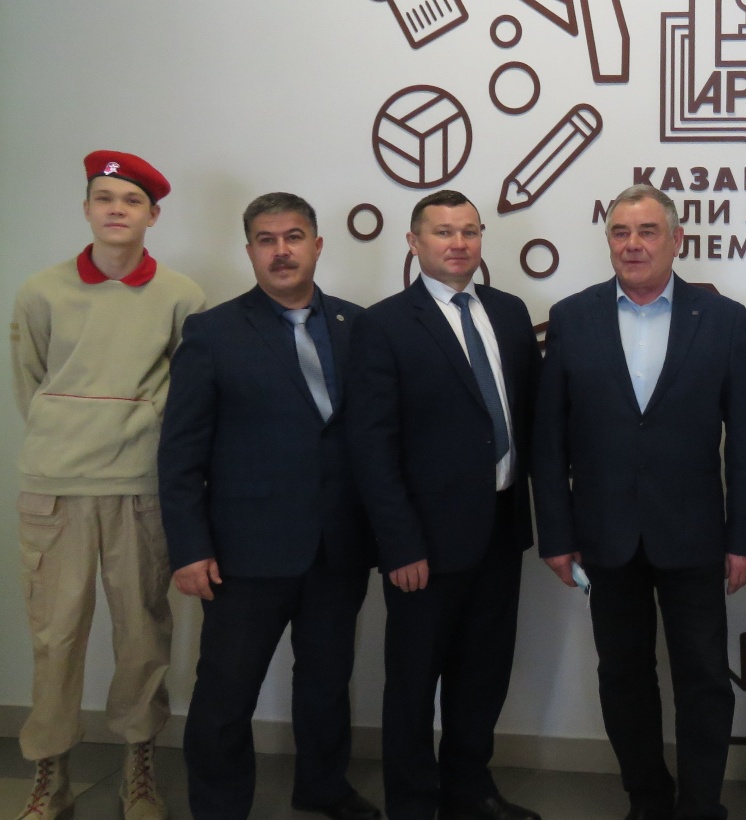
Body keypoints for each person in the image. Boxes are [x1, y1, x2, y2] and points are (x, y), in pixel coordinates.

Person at [532, 184, 746, 820]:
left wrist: (745, 535)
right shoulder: (573, 317)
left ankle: (700, 806)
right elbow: (548, 440)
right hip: (604, 536)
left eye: (647, 231)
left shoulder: (721, 318)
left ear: (676, 240)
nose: (632, 244)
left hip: (695, 535)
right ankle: (648, 800)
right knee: (623, 676)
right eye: (620, 232)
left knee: (705, 678)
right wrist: (556, 534)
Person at [159, 193, 379, 820]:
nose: (281, 251)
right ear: (250, 250)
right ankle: (220, 807)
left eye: (294, 236)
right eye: (266, 239)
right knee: (226, 693)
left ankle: (323, 787)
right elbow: (180, 453)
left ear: (317, 244)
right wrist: (190, 547)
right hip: (245, 551)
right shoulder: (212, 332)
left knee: (327, 681)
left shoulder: (358, 325)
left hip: (338, 546)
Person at [10, 151, 206, 820]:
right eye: (104, 197)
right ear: (87, 208)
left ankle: (137, 766)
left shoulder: (181, 296)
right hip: (55, 490)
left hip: (140, 489)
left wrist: (137, 430)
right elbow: (30, 383)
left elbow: (188, 397)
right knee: (55, 636)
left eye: (131, 200)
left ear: (154, 214)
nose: (116, 209)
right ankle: (50, 772)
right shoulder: (42, 291)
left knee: (142, 635)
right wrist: (67, 434)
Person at [345, 190, 543, 820]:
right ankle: (411, 802)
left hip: (500, 528)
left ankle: (470, 790)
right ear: (414, 242)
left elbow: (528, 418)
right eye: (442, 232)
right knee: (412, 681)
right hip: (424, 543)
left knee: (483, 672)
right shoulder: (384, 324)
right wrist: (399, 544)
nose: (458, 243)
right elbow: (372, 447)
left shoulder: (509, 312)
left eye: (469, 231)